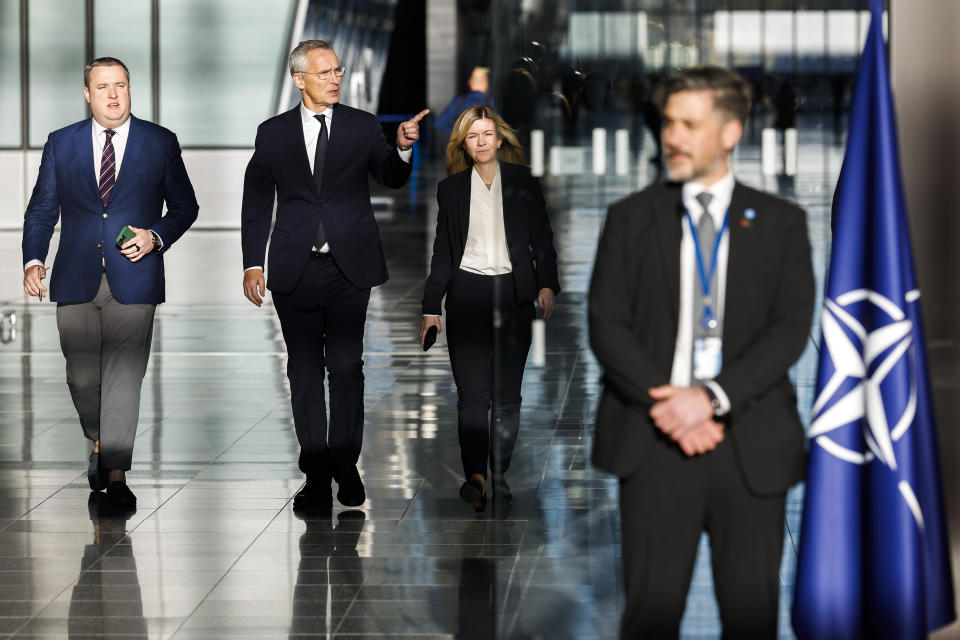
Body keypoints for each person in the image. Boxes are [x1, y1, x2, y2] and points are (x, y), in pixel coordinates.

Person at [589, 66, 814, 638]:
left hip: (750, 446)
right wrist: (674, 405)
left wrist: (710, 398)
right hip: (653, 438)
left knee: (751, 619)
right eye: (669, 123)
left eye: (690, 125)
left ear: (730, 132)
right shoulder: (629, 218)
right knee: (650, 617)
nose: (673, 137)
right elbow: (606, 325)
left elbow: (790, 329)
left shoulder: (783, 223)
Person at [241, 40, 427, 510]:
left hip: (350, 267)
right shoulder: (273, 134)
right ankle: (316, 473)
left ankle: (346, 463)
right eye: (324, 73)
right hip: (294, 270)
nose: (335, 79)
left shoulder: (362, 126)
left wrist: (402, 148)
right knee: (304, 373)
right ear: (299, 79)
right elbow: (257, 200)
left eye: (337, 71)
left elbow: (389, 174)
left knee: (346, 367)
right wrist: (252, 262)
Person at [22, 57, 198, 509]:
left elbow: (185, 207)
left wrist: (155, 236)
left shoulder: (160, 142)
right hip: (74, 277)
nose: (114, 95)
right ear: (88, 93)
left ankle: (117, 474)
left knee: (125, 376)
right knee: (82, 378)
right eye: (103, 87)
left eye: (120, 85)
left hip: (135, 279)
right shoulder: (61, 144)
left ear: (129, 88)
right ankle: (99, 441)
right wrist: (33, 260)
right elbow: (42, 209)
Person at [419, 105, 560, 512]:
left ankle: (499, 470)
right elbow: (442, 253)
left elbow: (543, 240)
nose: (481, 142)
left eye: (487, 134)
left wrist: (547, 284)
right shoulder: (451, 190)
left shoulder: (523, 183)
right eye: (472, 136)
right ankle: (475, 477)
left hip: (514, 295)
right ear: (464, 143)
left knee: (508, 396)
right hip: (466, 295)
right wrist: (432, 307)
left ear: (500, 139)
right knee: (472, 396)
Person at [433, 66, 496, 138]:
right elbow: (501, 129)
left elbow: (439, 124)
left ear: (470, 82)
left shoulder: (459, 102)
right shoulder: (490, 103)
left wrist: (460, 135)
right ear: (486, 83)